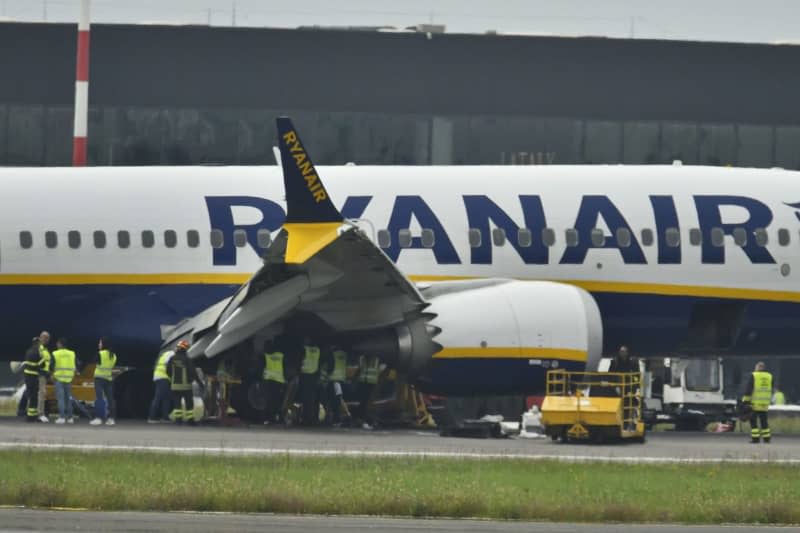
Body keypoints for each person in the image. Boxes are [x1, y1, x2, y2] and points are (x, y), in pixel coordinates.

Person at [167, 340, 201, 425]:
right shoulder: (187, 359)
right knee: (189, 404)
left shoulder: (172, 359)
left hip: (175, 386)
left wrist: (173, 379)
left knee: (177, 404)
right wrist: (199, 383)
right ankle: (190, 421)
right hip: (186, 386)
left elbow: (168, 371)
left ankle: (178, 420)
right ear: (185, 349)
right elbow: (193, 372)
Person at [742, 361, 773, 443]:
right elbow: (770, 388)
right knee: (764, 422)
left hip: (754, 403)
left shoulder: (754, 375)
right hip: (765, 404)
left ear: (757, 367)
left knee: (753, 422)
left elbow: (749, 389)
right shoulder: (769, 376)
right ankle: (767, 439)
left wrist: (745, 401)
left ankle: (755, 439)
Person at [90, 337, 117, 426]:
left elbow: (94, 361)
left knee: (99, 398)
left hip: (99, 379)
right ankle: (111, 419)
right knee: (110, 399)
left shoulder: (100, 354)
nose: (99, 344)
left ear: (104, 344)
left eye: (100, 343)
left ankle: (99, 418)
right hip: (108, 379)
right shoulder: (114, 356)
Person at [51, 338, 78, 424]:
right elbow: (76, 365)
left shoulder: (55, 353)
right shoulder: (72, 353)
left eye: (57, 344)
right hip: (69, 378)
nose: (56, 345)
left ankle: (62, 417)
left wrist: (52, 375)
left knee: (60, 399)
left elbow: (51, 366)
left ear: (60, 344)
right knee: (68, 398)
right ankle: (70, 418)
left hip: (59, 378)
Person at [262, 339, 286, 425]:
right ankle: (275, 417)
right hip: (279, 381)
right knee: (276, 401)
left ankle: (268, 418)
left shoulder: (265, 356)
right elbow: (285, 367)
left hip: (268, 381)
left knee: (267, 401)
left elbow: (261, 368)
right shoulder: (281, 355)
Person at [298, 337, 321, 426]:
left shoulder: (305, 349)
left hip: (305, 376)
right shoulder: (317, 350)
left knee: (306, 399)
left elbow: (300, 360)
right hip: (314, 376)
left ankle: (306, 419)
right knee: (312, 399)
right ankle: (312, 418)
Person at [147, 348, 174, 423]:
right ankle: (151, 417)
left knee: (166, 397)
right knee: (158, 397)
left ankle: (165, 417)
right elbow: (171, 368)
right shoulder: (172, 355)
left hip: (160, 377)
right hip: (163, 377)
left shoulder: (166, 354)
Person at [355, 354, 381, 430]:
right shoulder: (362, 358)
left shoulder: (377, 359)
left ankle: (366, 420)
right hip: (363, 382)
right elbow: (359, 369)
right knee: (363, 402)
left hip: (371, 383)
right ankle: (364, 420)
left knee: (366, 403)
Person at [22, 337, 42, 422]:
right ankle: (31, 416)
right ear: (38, 343)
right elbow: (39, 365)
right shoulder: (37, 352)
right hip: (33, 377)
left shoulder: (28, 351)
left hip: (27, 376)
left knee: (31, 396)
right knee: (34, 397)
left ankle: (31, 415)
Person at [37, 331, 52, 423]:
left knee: (41, 393)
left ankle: (38, 413)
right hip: (40, 374)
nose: (46, 340)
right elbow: (38, 361)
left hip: (44, 374)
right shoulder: (39, 348)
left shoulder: (45, 350)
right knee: (41, 393)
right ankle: (40, 414)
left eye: (48, 338)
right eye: (45, 337)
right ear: (40, 338)